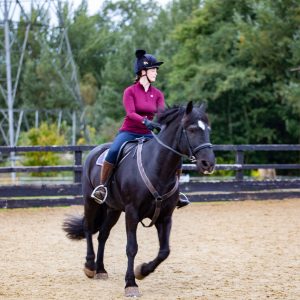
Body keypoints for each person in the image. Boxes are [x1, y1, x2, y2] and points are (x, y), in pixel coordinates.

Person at [91, 49, 189, 208]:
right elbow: (130, 113)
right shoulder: (129, 91)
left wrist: (161, 124)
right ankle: (102, 187)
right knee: (113, 151)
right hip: (129, 132)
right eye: (153, 69)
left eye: (156, 70)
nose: (156, 72)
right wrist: (146, 122)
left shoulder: (157, 94)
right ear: (143, 72)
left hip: (148, 134)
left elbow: (161, 113)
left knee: (172, 154)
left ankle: (176, 191)